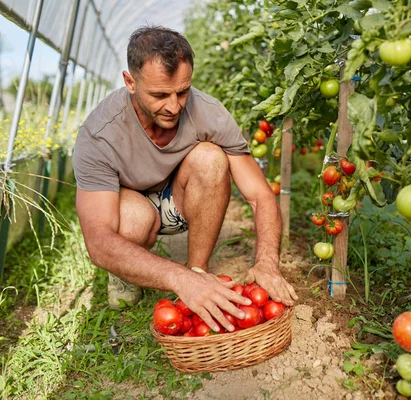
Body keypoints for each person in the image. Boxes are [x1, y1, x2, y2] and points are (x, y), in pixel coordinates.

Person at [73, 26, 298, 333]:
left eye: (182, 91)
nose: (174, 106)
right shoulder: (99, 134)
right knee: (133, 219)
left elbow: (260, 195)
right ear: (130, 82)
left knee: (211, 158)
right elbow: (98, 241)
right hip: (128, 203)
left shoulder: (209, 113)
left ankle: (198, 270)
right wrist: (177, 278)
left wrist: (266, 263)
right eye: (159, 95)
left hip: (178, 199)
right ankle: (127, 274)